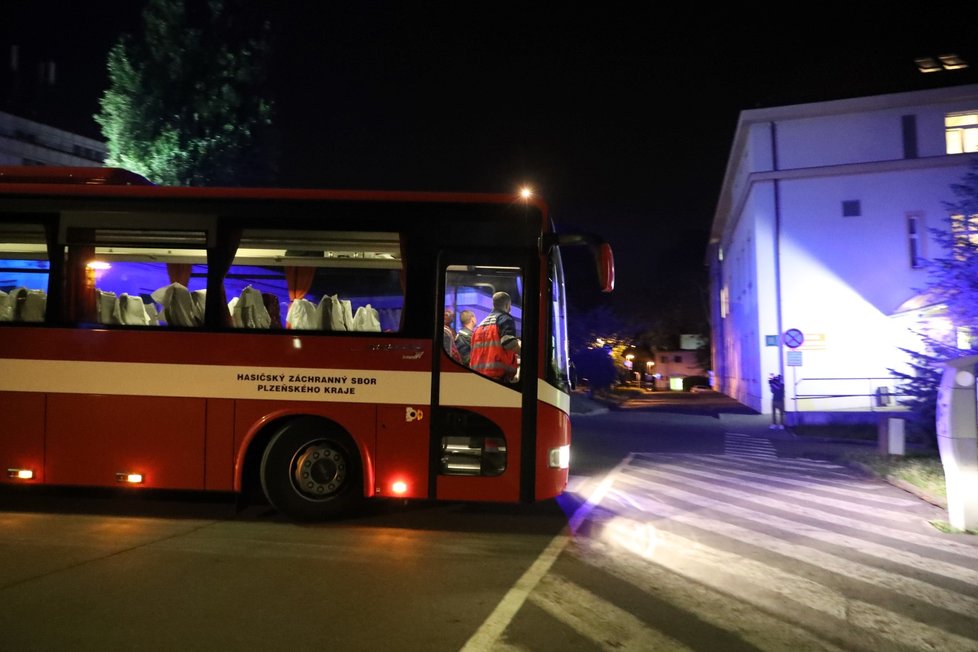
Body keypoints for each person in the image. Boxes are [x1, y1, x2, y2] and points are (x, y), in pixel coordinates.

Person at [470, 291, 520, 382]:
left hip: (478, 377)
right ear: (507, 305)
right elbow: (509, 343)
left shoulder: (480, 325)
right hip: (497, 378)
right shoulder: (505, 318)